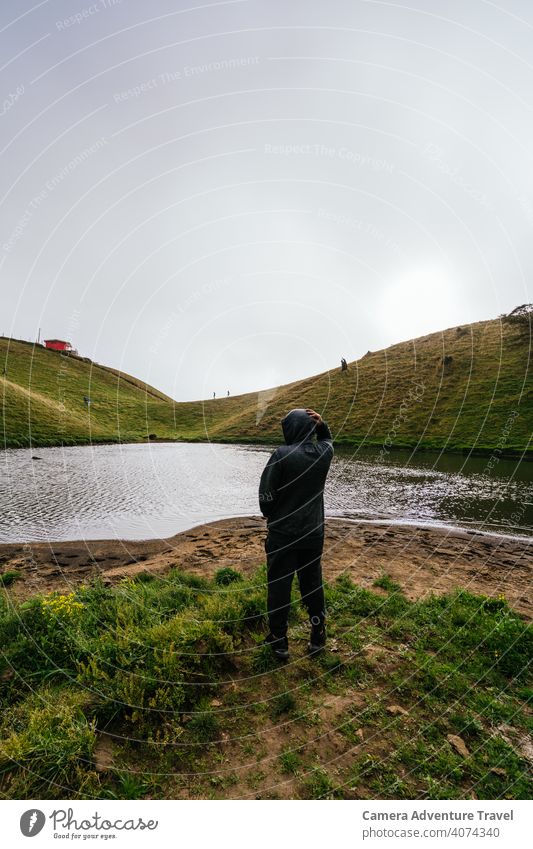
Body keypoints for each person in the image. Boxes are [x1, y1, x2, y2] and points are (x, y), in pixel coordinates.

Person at [258, 408, 334, 660]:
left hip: (283, 535)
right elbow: (328, 441)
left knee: (279, 585)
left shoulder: (281, 455)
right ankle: (318, 637)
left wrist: (275, 513)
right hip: (313, 534)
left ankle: (279, 642)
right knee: (312, 583)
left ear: (289, 430)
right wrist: (322, 426)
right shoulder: (323, 454)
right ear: (310, 428)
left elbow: (265, 500)